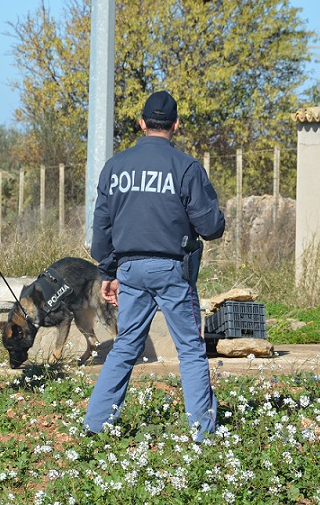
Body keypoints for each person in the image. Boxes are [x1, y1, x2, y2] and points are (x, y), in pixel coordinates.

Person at [84, 90, 226, 442]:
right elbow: (211, 227)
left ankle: (95, 426)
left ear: (141, 123)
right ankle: (202, 434)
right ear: (175, 125)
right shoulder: (187, 167)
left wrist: (108, 272)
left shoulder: (114, 167)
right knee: (190, 349)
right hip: (173, 271)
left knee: (125, 348)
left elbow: (101, 229)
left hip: (130, 272)